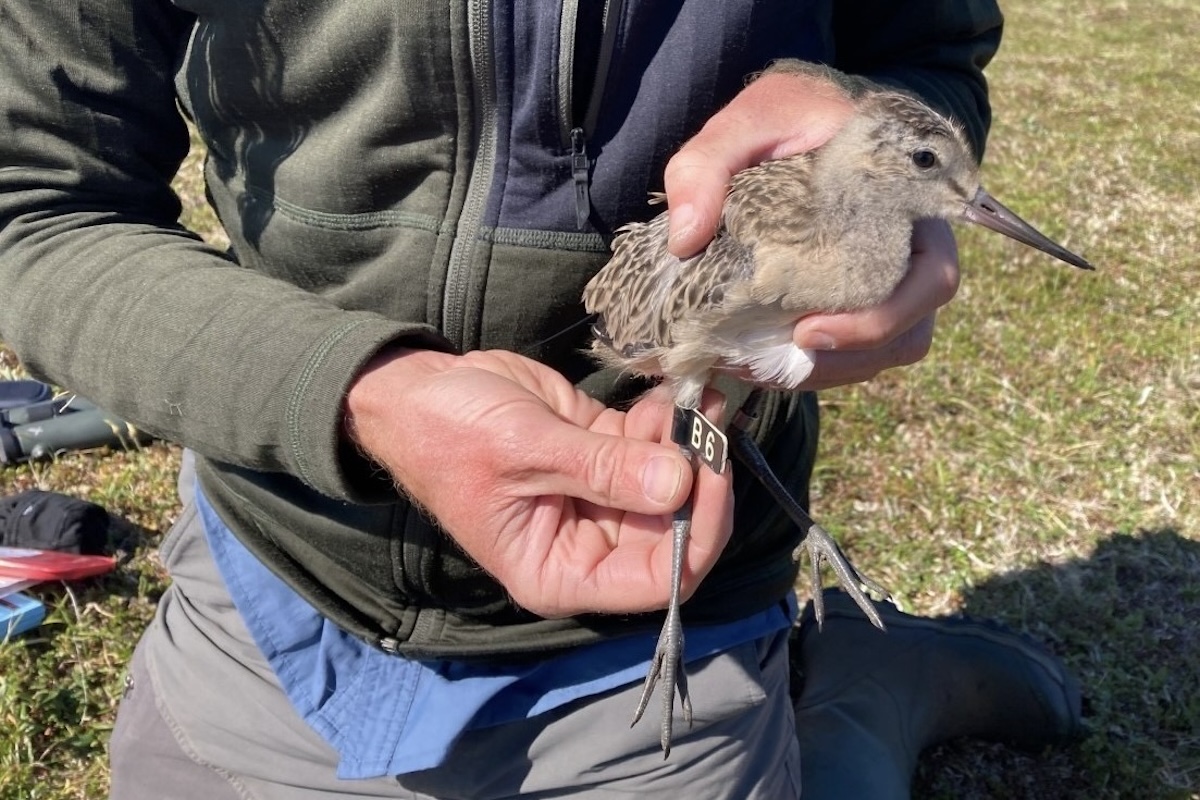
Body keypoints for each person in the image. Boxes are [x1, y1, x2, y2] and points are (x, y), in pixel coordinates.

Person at [0, 2, 1081, 797]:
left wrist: (856, 121)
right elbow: (35, 203)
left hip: (677, 591)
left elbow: (927, 54)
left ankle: (843, 677)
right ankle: (854, 668)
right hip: (287, 562)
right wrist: (361, 394)